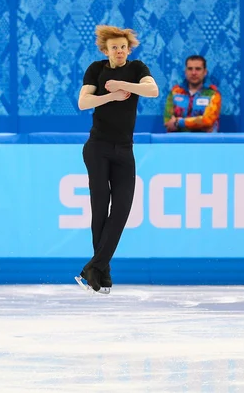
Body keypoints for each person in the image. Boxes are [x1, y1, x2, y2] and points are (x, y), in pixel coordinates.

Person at [77, 25, 159, 293]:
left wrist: (123, 85)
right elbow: (83, 102)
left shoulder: (136, 68)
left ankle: (95, 267)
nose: (120, 51)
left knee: (122, 209)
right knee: (100, 209)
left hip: (124, 149)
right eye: (114, 47)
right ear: (105, 50)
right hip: (97, 148)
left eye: (123, 46)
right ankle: (102, 273)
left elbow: (153, 91)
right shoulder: (96, 69)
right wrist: (111, 95)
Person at [164, 55, 221, 132]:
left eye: (198, 69)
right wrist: (198, 123)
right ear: (185, 72)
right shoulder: (175, 92)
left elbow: (207, 120)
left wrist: (179, 122)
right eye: (190, 69)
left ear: (205, 72)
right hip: (178, 142)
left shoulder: (213, 94)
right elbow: (168, 123)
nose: (193, 73)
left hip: (205, 142)